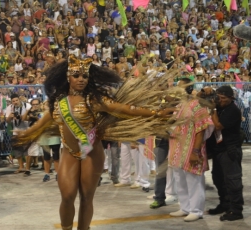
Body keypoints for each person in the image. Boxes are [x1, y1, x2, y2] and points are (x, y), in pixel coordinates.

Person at [14, 55, 177, 230]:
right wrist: (26, 134)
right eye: (76, 76)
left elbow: (126, 109)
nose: (81, 79)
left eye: (85, 76)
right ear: (67, 77)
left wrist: (157, 114)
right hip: (69, 152)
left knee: (86, 197)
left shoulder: (94, 100)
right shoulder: (58, 103)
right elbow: (41, 124)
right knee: (67, 196)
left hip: (90, 151)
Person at [168, 78, 213, 222]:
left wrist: (196, 151)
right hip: (177, 149)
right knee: (180, 179)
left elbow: (201, 129)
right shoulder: (181, 105)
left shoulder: (197, 106)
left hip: (191, 148)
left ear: (188, 89)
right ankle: (185, 207)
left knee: (193, 180)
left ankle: (196, 210)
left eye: (180, 87)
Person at [203, 85, 244, 221]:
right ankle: (225, 204)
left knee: (232, 180)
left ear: (231, 98)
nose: (220, 100)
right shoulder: (220, 107)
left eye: (223, 98)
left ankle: (236, 210)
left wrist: (213, 108)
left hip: (230, 149)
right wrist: (205, 92)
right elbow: (200, 99)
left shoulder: (233, 110)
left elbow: (219, 126)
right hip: (218, 150)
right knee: (218, 179)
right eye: (218, 98)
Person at [6, 93, 31, 174]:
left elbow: (30, 118)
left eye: (16, 100)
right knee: (17, 151)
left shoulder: (27, 106)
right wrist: (10, 116)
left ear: (19, 99)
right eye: (13, 101)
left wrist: (21, 116)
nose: (15, 102)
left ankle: (27, 168)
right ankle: (21, 167)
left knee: (27, 151)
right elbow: (7, 121)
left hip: (26, 131)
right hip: (15, 131)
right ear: (11, 102)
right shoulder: (9, 108)